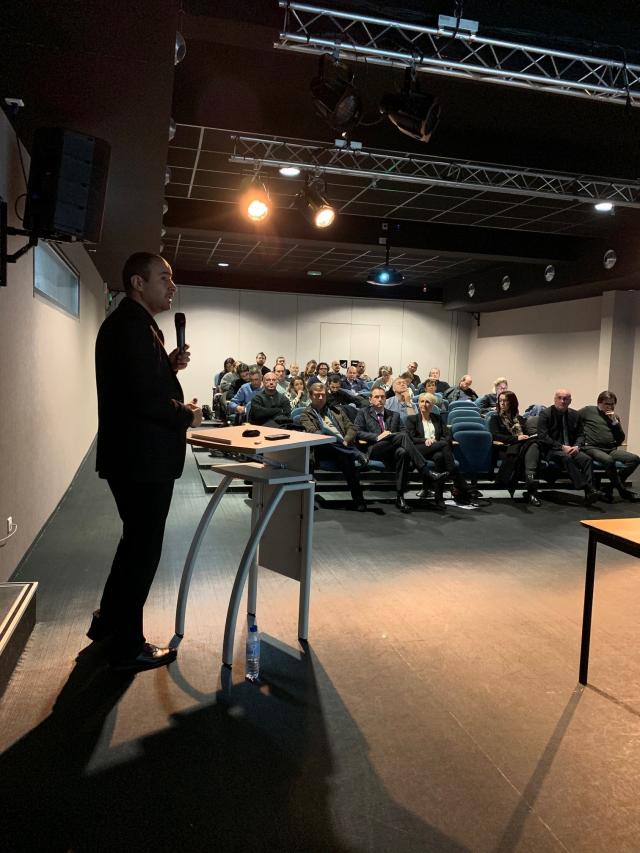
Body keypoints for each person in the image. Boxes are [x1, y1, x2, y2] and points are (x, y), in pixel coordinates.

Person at [89, 252, 202, 672]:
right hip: (142, 460)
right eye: (164, 278)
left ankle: (109, 623)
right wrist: (186, 415)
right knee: (141, 551)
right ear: (138, 283)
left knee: (133, 544)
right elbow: (145, 400)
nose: (172, 286)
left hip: (135, 457)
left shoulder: (133, 327)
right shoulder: (131, 329)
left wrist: (167, 366)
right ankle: (126, 644)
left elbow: (139, 383)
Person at [354, 386, 441, 513]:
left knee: (403, 452)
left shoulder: (394, 414)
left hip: (393, 448)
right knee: (402, 437)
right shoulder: (363, 412)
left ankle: (400, 497)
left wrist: (391, 436)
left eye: (382, 397)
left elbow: (404, 431)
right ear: (370, 399)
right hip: (375, 449)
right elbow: (357, 432)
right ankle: (425, 470)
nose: (380, 399)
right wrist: (377, 436)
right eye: (376, 397)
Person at [299, 383, 366, 511]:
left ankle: (359, 500)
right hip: (321, 449)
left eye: (323, 395)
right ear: (310, 396)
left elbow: (351, 427)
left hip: (342, 448)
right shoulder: (306, 414)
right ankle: (356, 453)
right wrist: (334, 439)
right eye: (317, 395)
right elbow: (313, 432)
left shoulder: (337, 411)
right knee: (326, 438)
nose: (320, 398)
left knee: (346, 458)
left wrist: (345, 440)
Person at [406, 393, 476, 509]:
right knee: (443, 444)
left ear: (432, 405)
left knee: (440, 458)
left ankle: (439, 497)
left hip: (436, 450)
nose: (424, 404)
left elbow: (447, 435)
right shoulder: (412, 419)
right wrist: (426, 440)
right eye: (422, 401)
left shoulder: (437, 418)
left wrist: (435, 442)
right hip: (419, 450)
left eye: (427, 402)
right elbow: (410, 438)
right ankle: (455, 476)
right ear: (418, 404)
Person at [537, 388, 603, 506]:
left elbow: (581, 434)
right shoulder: (545, 414)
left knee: (586, 459)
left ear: (570, 401)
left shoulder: (575, 415)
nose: (562, 401)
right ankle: (588, 488)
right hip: (552, 450)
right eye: (560, 398)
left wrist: (577, 446)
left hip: (572, 448)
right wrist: (562, 447)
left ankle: (589, 494)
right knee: (566, 458)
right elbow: (543, 437)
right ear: (555, 399)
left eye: (566, 399)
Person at [579, 391, 639, 501]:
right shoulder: (588, 411)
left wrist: (615, 422)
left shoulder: (614, 417)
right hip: (592, 447)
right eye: (607, 404)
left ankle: (609, 488)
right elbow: (573, 419)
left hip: (610, 449)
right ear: (599, 403)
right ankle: (622, 490)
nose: (610, 407)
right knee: (608, 460)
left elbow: (620, 439)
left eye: (612, 404)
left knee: (634, 459)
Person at [488, 390, 542, 506]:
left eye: (505, 400)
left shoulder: (520, 419)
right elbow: (495, 435)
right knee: (531, 445)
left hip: (522, 449)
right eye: (500, 400)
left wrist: (526, 437)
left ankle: (530, 481)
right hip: (505, 449)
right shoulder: (495, 418)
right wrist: (516, 439)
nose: (502, 403)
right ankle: (531, 482)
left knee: (533, 443)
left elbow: (527, 435)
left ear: (512, 402)